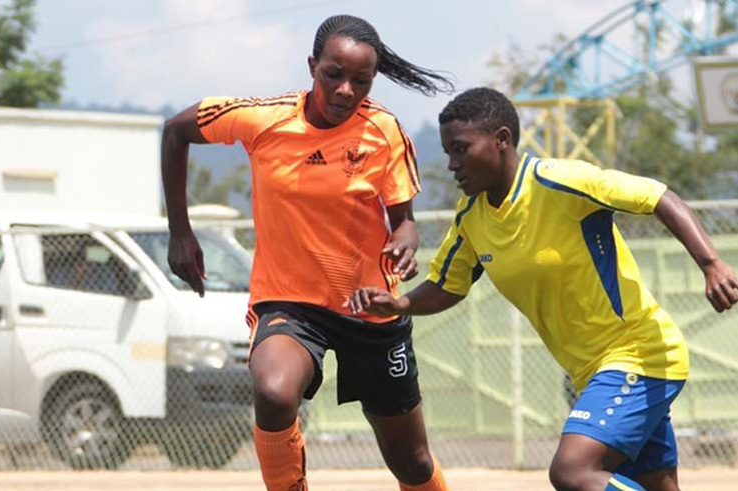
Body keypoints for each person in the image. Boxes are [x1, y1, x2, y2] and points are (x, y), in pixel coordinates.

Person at [346, 87, 738, 491]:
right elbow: (448, 285)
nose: (451, 164)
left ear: (501, 139)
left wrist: (711, 264)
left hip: (639, 354)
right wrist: (398, 303)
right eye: (447, 152)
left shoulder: (561, 181)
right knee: (656, 485)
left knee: (573, 472)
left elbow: (657, 196)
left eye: (461, 149)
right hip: (591, 373)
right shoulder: (471, 218)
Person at [161, 14, 453, 491]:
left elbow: (404, 221)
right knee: (274, 394)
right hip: (289, 302)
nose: (344, 91)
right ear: (312, 66)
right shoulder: (265, 118)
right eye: (333, 75)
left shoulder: (383, 131)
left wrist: (405, 240)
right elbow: (176, 131)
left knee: (412, 463)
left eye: (361, 81)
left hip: (368, 307)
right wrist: (180, 231)